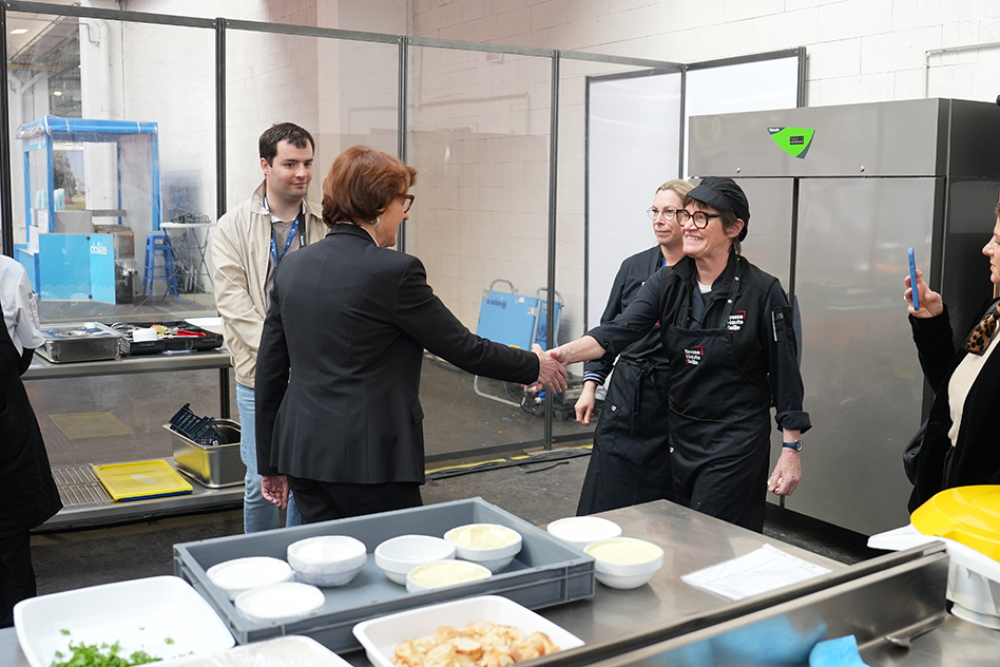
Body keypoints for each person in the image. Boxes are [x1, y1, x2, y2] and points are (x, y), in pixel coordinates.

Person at [255, 145, 568, 523]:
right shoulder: (394, 272)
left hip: (302, 454)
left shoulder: (293, 267)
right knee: (397, 549)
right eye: (401, 201)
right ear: (377, 205)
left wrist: (269, 462)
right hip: (370, 459)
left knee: (329, 552)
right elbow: (464, 348)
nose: (404, 213)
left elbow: (269, 370)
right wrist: (535, 365)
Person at [550, 177, 810, 532]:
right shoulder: (667, 283)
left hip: (735, 440)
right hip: (681, 437)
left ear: (734, 228)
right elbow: (616, 331)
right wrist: (560, 355)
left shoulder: (762, 291)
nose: (688, 225)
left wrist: (791, 449)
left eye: (702, 217)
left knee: (713, 537)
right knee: (683, 538)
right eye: (686, 216)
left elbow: (785, 374)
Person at [212, 122, 326, 532]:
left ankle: (302, 552)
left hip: (317, 372)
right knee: (261, 477)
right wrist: (280, 356)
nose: (302, 173)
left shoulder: (326, 221)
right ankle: (256, 559)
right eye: (290, 164)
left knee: (309, 474)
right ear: (265, 165)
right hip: (259, 373)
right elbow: (233, 302)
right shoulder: (232, 226)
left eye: (308, 163)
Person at [574, 179, 691, 516]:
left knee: (662, 499)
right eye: (654, 211)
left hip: (675, 398)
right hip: (627, 394)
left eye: (670, 212)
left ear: (689, 218)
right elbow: (609, 330)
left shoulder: (702, 273)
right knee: (607, 486)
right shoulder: (633, 267)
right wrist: (589, 386)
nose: (659, 220)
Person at [904, 203, 1000, 511]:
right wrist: (931, 323)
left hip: (978, 515)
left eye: (998, 242)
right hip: (944, 500)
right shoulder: (994, 313)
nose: (986, 248)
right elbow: (951, 393)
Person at [0, 256, 62, 627]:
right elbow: (26, 348)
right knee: (8, 552)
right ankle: (12, 643)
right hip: (4, 425)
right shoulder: (6, 272)